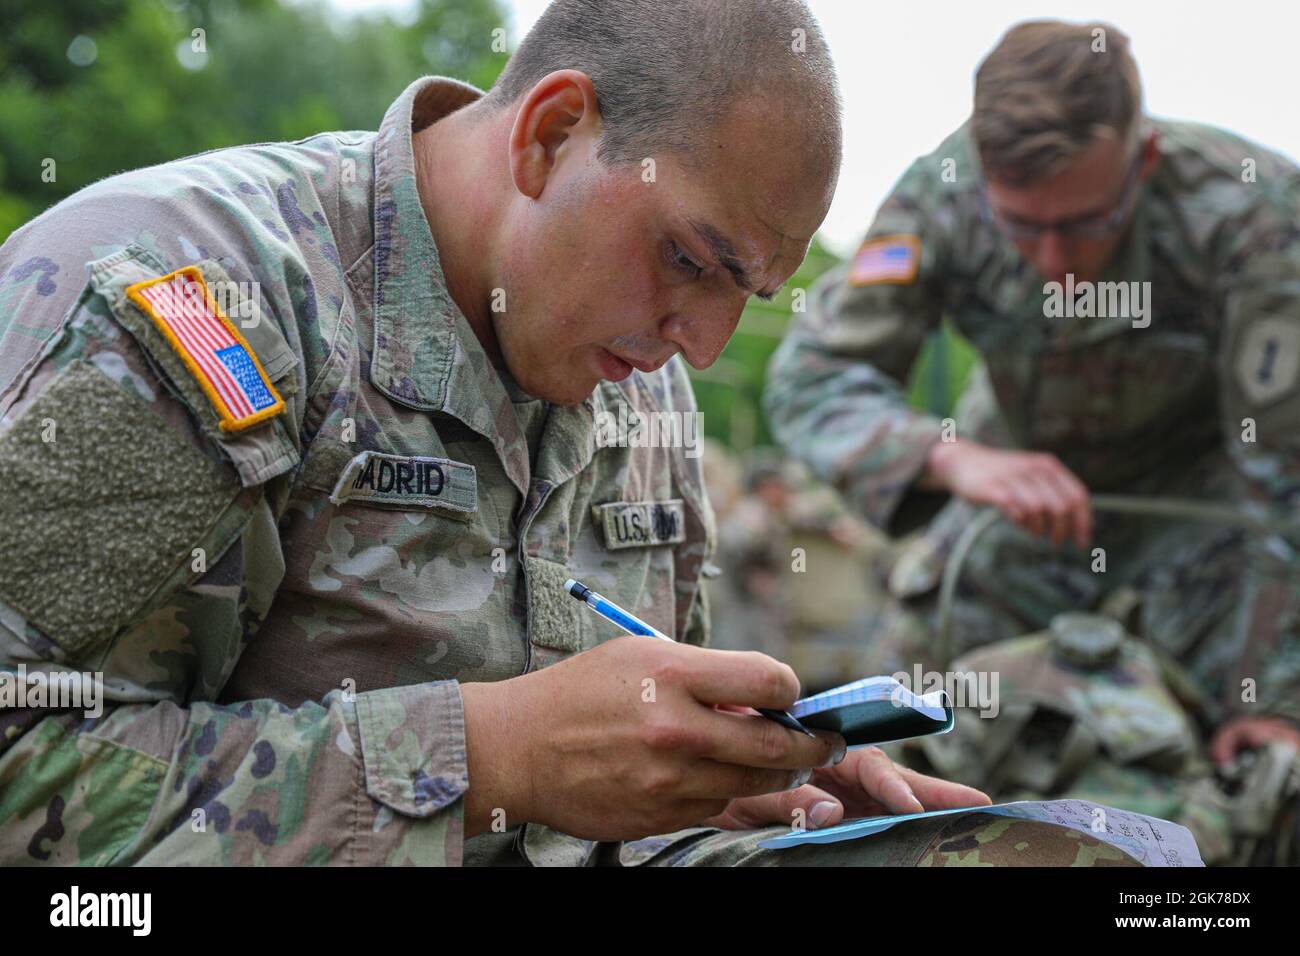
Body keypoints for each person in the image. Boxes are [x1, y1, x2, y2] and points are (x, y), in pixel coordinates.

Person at [0, 0, 1138, 867]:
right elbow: (22, 772)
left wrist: (728, 787)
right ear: (550, 135)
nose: (703, 344)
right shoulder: (190, 300)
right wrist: (494, 759)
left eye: (748, 291)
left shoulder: (640, 379)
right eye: (689, 259)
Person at [764, 20, 1300, 776]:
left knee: (1253, 780)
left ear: (1143, 160)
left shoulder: (1253, 214)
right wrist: (949, 458)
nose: (1055, 263)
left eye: (1085, 224)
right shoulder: (941, 198)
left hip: (1206, 529)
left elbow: (1286, 473)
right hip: (1013, 516)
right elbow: (811, 377)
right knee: (890, 756)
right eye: (1020, 227)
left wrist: (1277, 696)